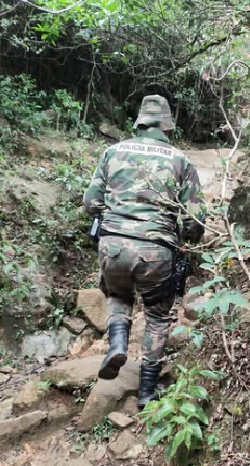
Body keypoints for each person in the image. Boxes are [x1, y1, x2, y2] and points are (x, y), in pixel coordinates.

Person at [83, 95, 206, 408]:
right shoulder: (180, 161)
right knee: (156, 316)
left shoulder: (113, 151)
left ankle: (118, 344)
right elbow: (194, 220)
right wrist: (182, 237)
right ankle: (147, 391)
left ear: (139, 122)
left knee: (117, 296)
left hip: (112, 248)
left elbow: (90, 202)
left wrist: (113, 217)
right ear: (166, 124)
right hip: (155, 251)